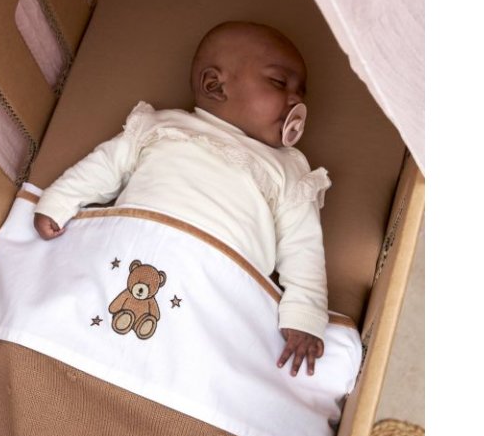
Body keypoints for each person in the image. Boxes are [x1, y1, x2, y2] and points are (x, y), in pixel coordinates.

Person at [33, 21, 331, 376]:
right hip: (132, 259)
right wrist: (60, 200)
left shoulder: (287, 170)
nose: (296, 101)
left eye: (301, 93)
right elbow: (104, 166)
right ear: (214, 85)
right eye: (280, 83)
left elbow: (303, 246)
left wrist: (304, 314)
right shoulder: (161, 127)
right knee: (78, 308)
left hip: (214, 288)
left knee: (197, 359)